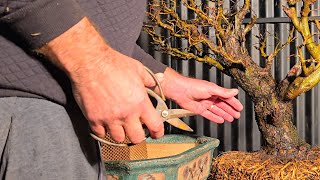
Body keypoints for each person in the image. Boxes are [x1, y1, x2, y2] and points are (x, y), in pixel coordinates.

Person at [0, 0, 243, 179]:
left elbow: (98, 28)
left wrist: (167, 81)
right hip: (29, 114)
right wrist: (94, 64)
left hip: (59, 112)